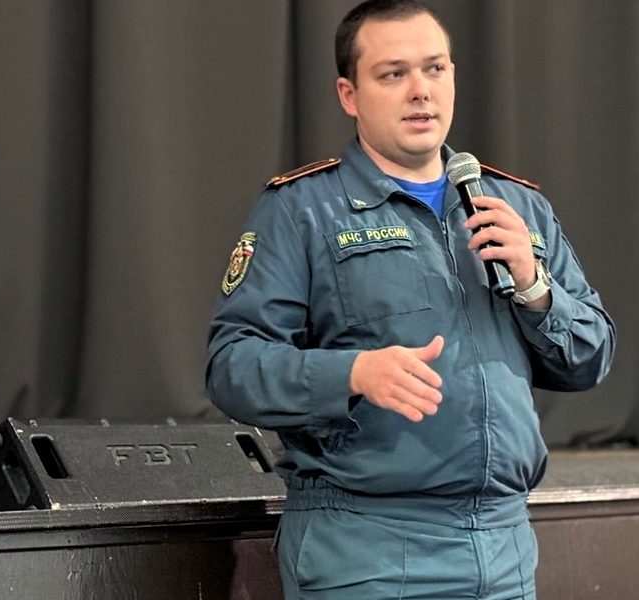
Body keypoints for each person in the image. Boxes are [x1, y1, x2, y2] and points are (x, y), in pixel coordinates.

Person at [205, 1, 615, 598]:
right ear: (349, 95)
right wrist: (352, 373)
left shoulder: (516, 206)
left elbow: (590, 358)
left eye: (435, 69)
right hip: (366, 551)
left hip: (504, 549)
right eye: (393, 73)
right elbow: (233, 366)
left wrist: (534, 287)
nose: (421, 90)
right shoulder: (302, 210)